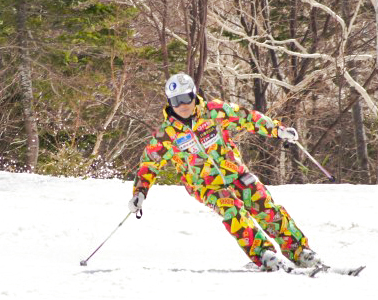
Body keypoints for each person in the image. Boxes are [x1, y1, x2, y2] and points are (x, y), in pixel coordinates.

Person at [127, 73, 322, 272]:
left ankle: (300, 252)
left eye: (186, 98)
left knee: (265, 206)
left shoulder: (214, 111)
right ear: (170, 102)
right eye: (176, 101)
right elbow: (149, 164)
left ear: (194, 95)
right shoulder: (165, 134)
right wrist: (140, 193)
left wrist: (277, 130)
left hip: (235, 173)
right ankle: (264, 254)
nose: (183, 105)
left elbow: (247, 118)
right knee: (233, 211)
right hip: (205, 185)